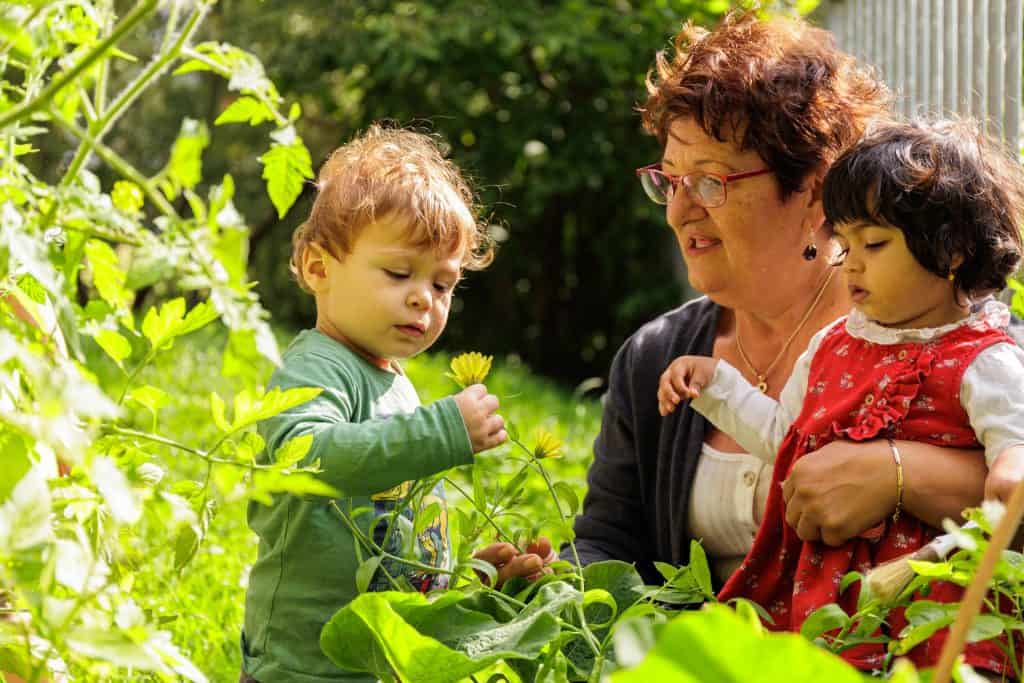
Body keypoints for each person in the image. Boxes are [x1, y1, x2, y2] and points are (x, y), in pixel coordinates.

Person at [572, 6, 999, 626]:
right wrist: (547, 584)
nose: (679, 211)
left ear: (816, 189)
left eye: (711, 181)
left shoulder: (956, 334)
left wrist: (900, 473)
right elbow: (608, 546)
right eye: (670, 181)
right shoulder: (655, 358)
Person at [657, 118, 1024, 675]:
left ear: (952, 251)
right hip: (824, 590)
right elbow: (788, 440)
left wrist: (1011, 462)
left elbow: (1012, 435)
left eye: (874, 243)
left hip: (936, 597)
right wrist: (718, 387)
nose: (850, 261)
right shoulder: (834, 344)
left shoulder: (982, 356)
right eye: (844, 242)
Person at [240, 125, 552, 683]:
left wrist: (474, 575)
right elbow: (305, 453)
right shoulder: (317, 366)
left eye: (442, 284)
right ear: (319, 269)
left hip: (377, 662)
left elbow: (398, 531)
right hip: (305, 668)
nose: (422, 298)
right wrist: (441, 432)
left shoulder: (396, 383)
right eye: (399, 272)